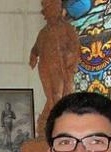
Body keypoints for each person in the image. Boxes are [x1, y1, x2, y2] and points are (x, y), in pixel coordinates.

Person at [28, 0, 79, 140]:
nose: (51, 13)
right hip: (45, 67)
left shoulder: (67, 28)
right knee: (50, 96)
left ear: (58, 10)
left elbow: (75, 47)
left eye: (53, 9)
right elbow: (36, 47)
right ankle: (48, 126)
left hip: (59, 67)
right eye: (48, 10)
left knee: (58, 95)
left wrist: (70, 58)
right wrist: (33, 55)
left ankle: (54, 125)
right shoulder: (43, 32)